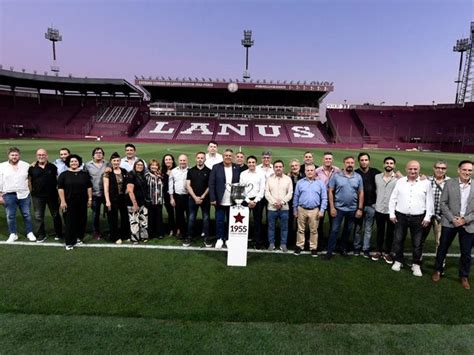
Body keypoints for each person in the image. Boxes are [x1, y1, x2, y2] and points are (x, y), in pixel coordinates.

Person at [432, 160, 474, 290]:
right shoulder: (450, 183)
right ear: (458, 170)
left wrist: (465, 220)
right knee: (443, 247)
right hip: (450, 223)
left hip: (468, 224)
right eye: (464, 170)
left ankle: (464, 276)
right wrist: (453, 219)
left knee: (466, 253)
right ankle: (438, 270)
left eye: (470, 170)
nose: (467, 172)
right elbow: (443, 203)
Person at [389, 160, 434, 277]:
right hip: (401, 216)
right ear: (406, 169)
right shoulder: (400, 182)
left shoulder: (426, 183)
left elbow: (430, 201)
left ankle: (416, 264)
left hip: (418, 217)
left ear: (419, 170)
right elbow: (393, 198)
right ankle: (398, 261)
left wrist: (428, 216)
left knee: (417, 243)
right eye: (410, 169)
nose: (413, 171)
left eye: (415, 169)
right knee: (398, 240)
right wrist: (392, 214)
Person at [327, 156, 364, 260]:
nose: (350, 164)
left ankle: (343, 248)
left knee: (347, 230)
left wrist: (360, 208)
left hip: (352, 209)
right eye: (348, 162)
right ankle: (330, 250)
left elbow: (361, 192)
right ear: (344, 163)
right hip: (338, 208)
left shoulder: (358, 177)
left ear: (354, 164)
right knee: (334, 230)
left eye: (352, 162)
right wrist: (332, 207)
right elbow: (330, 191)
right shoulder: (336, 176)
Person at [0, 147, 36, 242]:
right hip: (8, 195)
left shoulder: (26, 165)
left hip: (24, 194)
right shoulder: (2, 166)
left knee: (27, 214)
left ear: (19, 155)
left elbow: (30, 178)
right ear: (8, 156)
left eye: (16, 155)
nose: (14, 157)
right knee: (10, 215)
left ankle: (29, 232)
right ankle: (13, 234)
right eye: (12, 155)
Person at [58, 154, 92, 250]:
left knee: (81, 220)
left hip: (82, 201)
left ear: (79, 162)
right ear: (68, 163)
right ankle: (69, 242)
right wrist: (63, 201)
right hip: (69, 202)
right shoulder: (63, 175)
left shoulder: (84, 174)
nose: (74, 163)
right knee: (70, 222)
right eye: (72, 161)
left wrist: (89, 199)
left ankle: (78, 238)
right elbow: (60, 189)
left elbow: (89, 187)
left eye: (76, 161)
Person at [28, 148, 62, 243]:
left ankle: (59, 233)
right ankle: (41, 235)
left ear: (47, 156)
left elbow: (57, 180)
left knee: (55, 215)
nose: (41, 156)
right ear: (36, 156)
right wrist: (32, 191)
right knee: (39, 216)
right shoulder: (32, 168)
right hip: (38, 196)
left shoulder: (52, 167)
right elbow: (29, 180)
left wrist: (59, 195)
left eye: (43, 155)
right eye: (39, 155)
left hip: (52, 195)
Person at [209, 148, 241, 248]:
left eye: (230, 156)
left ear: (233, 157)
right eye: (226, 155)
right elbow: (211, 183)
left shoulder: (237, 168)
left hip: (232, 200)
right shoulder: (216, 167)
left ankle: (228, 238)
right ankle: (219, 238)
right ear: (223, 157)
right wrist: (212, 198)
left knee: (231, 221)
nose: (228, 157)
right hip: (220, 199)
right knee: (219, 220)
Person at [293, 164, 327, 257]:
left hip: (314, 210)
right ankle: (299, 246)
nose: (310, 172)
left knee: (314, 230)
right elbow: (296, 196)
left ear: (314, 171)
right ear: (305, 172)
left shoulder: (320, 183)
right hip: (301, 209)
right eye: (308, 170)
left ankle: (313, 247)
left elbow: (324, 198)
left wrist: (322, 210)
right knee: (300, 229)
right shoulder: (300, 182)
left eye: (312, 170)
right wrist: (295, 210)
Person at [353, 153, 381, 257]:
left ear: (369, 161)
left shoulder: (376, 172)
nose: (364, 162)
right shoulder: (355, 173)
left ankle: (366, 248)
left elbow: (388, 176)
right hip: (358, 206)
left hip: (371, 205)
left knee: (368, 228)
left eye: (366, 160)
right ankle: (356, 247)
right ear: (359, 161)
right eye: (362, 160)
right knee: (358, 228)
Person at [372, 157, 398, 263]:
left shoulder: (398, 178)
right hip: (379, 209)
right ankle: (378, 251)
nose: (389, 165)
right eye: (387, 163)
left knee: (390, 232)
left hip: (392, 211)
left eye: (391, 163)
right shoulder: (377, 177)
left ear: (394, 165)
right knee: (380, 231)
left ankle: (387, 253)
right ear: (384, 164)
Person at [422, 160, 450, 251]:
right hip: (426, 215)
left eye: (443, 168)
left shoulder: (451, 182)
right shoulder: (426, 180)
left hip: (441, 216)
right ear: (434, 168)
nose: (440, 170)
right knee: (420, 239)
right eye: (438, 168)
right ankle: (417, 259)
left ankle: (440, 262)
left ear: (446, 170)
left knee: (440, 241)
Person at [266, 160, 293, 252]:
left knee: (284, 227)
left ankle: (283, 244)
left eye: (280, 167)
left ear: (283, 168)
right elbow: (267, 193)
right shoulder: (269, 179)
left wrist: (282, 202)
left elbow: (290, 193)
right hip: (271, 208)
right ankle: (271, 243)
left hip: (284, 208)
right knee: (271, 227)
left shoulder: (288, 179)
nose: (278, 168)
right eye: (276, 167)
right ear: (273, 168)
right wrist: (274, 203)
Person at [315, 152, 341, 250]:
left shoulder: (337, 171)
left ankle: (331, 243)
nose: (328, 160)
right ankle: (320, 243)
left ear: (332, 160)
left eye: (330, 159)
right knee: (319, 222)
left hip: (333, 199)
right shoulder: (317, 171)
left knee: (333, 222)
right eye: (326, 158)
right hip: (320, 199)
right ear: (323, 160)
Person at [239, 155, 266, 249]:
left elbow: (262, 189)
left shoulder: (261, 174)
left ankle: (257, 242)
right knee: (243, 221)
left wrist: (254, 201)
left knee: (257, 221)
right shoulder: (243, 173)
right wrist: (247, 201)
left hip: (257, 200)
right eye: (249, 162)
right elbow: (241, 189)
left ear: (256, 163)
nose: (251, 164)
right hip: (245, 200)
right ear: (247, 163)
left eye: (253, 162)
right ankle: (242, 241)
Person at [185, 152, 211, 247]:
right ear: (196, 159)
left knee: (206, 218)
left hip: (205, 199)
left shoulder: (209, 171)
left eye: (202, 158)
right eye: (198, 158)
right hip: (193, 199)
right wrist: (195, 197)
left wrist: (203, 196)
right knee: (191, 218)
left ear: (205, 159)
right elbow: (188, 185)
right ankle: (189, 237)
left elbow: (209, 186)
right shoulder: (191, 170)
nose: (200, 159)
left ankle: (206, 238)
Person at [103, 152, 129, 244]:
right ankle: (115, 236)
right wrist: (107, 201)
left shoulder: (124, 171)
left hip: (123, 198)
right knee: (113, 218)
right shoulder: (107, 173)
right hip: (112, 198)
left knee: (124, 217)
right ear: (111, 161)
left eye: (118, 160)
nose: (116, 162)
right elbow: (105, 188)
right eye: (114, 160)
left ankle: (125, 235)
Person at [84, 147, 107, 240]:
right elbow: (85, 180)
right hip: (94, 194)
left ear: (103, 155)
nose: (98, 154)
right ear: (93, 155)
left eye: (100, 153)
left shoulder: (107, 164)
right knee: (95, 214)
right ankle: (95, 232)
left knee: (109, 213)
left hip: (106, 194)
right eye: (96, 153)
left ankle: (110, 230)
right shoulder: (88, 165)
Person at [126, 159, 149, 243]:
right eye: (138, 165)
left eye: (141, 165)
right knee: (134, 221)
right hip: (133, 202)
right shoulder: (131, 175)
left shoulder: (143, 175)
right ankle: (135, 238)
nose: (140, 166)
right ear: (135, 166)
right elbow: (130, 191)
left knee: (143, 220)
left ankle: (143, 236)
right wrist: (134, 204)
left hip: (143, 202)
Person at [169, 154, 189, 239]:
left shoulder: (191, 170)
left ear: (187, 161)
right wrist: (171, 198)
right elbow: (170, 185)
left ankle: (189, 232)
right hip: (177, 196)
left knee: (189, 215)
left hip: (188, 196)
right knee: (179, 215)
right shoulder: (173, 171)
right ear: (178, 161)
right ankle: (182, 232)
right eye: (181, 160)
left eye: (184, 160)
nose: (182, 162)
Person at [146, 159, 164, 240]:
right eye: (152, 165)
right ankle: (151, 233)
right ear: (149, 166)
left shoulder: (160, 175)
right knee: (150, 217)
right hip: (150, 201)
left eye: (156, 165)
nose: (154, 166)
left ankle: (159, 233)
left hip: (159, 200)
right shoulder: (146, 176)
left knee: (159, 217)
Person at [287, 159, 303, 248]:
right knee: (289, 223)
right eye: (292, 166)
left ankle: (298, 242)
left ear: (299, 167)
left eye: (296, 165)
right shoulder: (287, 177)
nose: (294, 167)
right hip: (289, 204)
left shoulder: (304, 177)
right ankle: (289, 241)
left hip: (300, 204)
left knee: (299, 225)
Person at [161, 154, 176, 236]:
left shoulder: (176, 170)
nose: (168, 161)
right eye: (166, 159)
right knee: (170, 212)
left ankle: (178, 228)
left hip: (175, 194)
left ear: (172, 161)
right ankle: (171, 229)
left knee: (178, 212)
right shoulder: (162, 171)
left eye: (170, 159)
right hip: (166, 195)